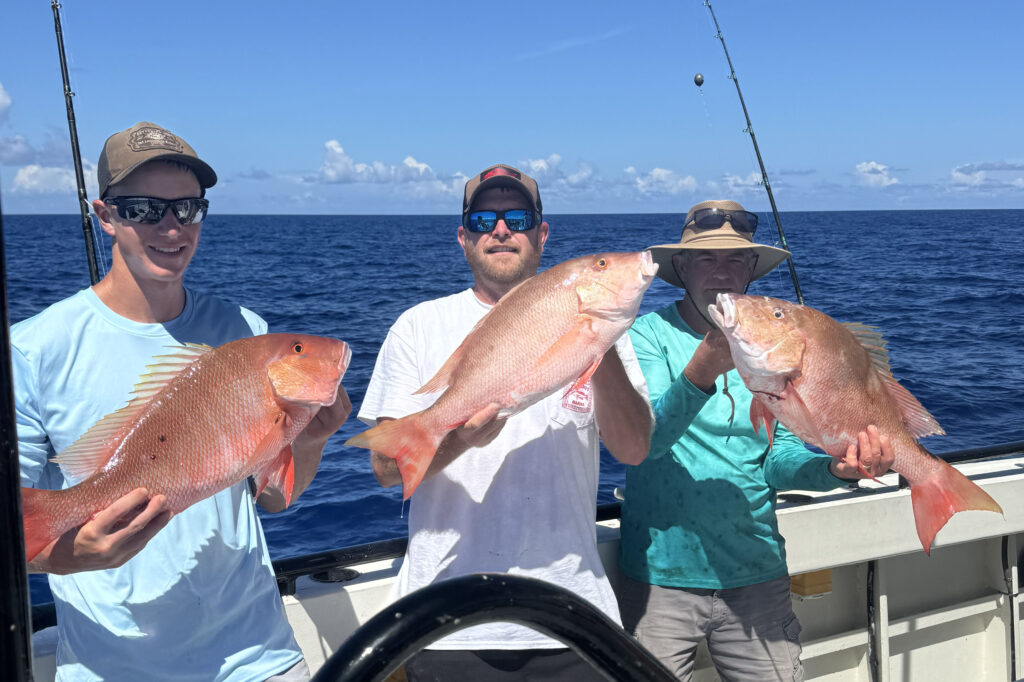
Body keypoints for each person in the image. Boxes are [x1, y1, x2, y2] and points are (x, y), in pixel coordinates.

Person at [14, 121, 351, 681]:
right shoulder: (32, 350)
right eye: (144, 209)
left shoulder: (243, 330)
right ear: (105, 217)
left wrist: (309, 438)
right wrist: (77, 555)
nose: (171, 227)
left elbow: (272, 499)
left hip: (259, 656)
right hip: (114, 666)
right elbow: (17, 535)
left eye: (188, 209)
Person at [358, 164, 653, 681]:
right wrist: (456, 439)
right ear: (463, 236)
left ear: (541, 234)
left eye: (517, 217)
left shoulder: (606, 335)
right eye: (483, 218)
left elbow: (632, 450)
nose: (500, 229)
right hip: (449, 620)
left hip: (575, 617)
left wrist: (595, 342)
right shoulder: (418, 327)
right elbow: (387, 469)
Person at [617, 199, 895, 681]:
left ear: (751, 271)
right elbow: (645, 442)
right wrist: (701, 371)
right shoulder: (645, 335)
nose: (721, 272)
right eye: (706, 258)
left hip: (758, 571)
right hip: (659, 577)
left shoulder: (777, 342)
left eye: (736, 260)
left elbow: (778, 459)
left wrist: (833, 471)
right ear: (681, 266)